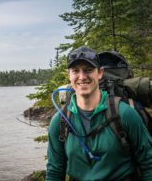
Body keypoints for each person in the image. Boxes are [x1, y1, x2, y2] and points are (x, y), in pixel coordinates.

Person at [45, 46, 152, 181]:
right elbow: (54, 170)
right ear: (69, 75)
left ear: (100, 73)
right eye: (76, 71)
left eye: (88, 70)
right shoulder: (60, 121)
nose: (82, 77)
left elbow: (148, 163)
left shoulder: (124, 114)